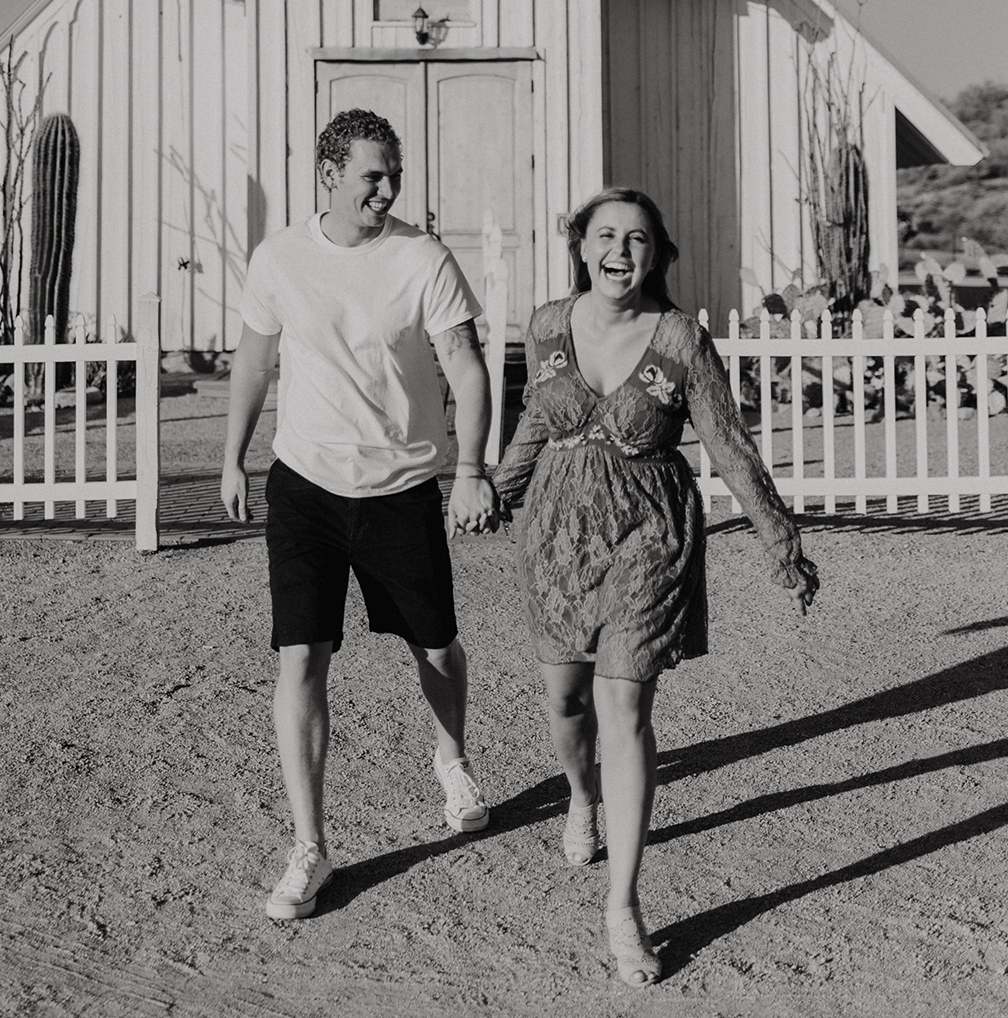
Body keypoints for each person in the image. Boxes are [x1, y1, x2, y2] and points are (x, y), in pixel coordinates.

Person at [490, 188, 819, 987]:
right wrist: (499, 486)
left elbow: (727, 444)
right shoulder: (545, 325)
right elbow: (539, 417)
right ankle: (579, 795)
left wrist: (780, 539)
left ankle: (623, 904)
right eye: (605, 236)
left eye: (637, 239)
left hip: (651, 531)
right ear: (580, 246)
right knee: (564, 701)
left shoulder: (677, 338)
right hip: (558, 535)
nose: (620, 251)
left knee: (625, 705)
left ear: (656, 255)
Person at [221, 107, 500, 924]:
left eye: (394, 174)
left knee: (435, 643)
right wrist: (233, 454)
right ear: (329, 175)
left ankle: (451, 758)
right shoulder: (280, 258)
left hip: (400, 490)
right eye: (373, 174)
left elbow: (467, 369)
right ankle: (309, 846)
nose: (388, 188)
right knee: (299, 657)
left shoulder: (422, 258)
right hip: (305, 486)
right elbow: (252, 358)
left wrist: (472, 470)